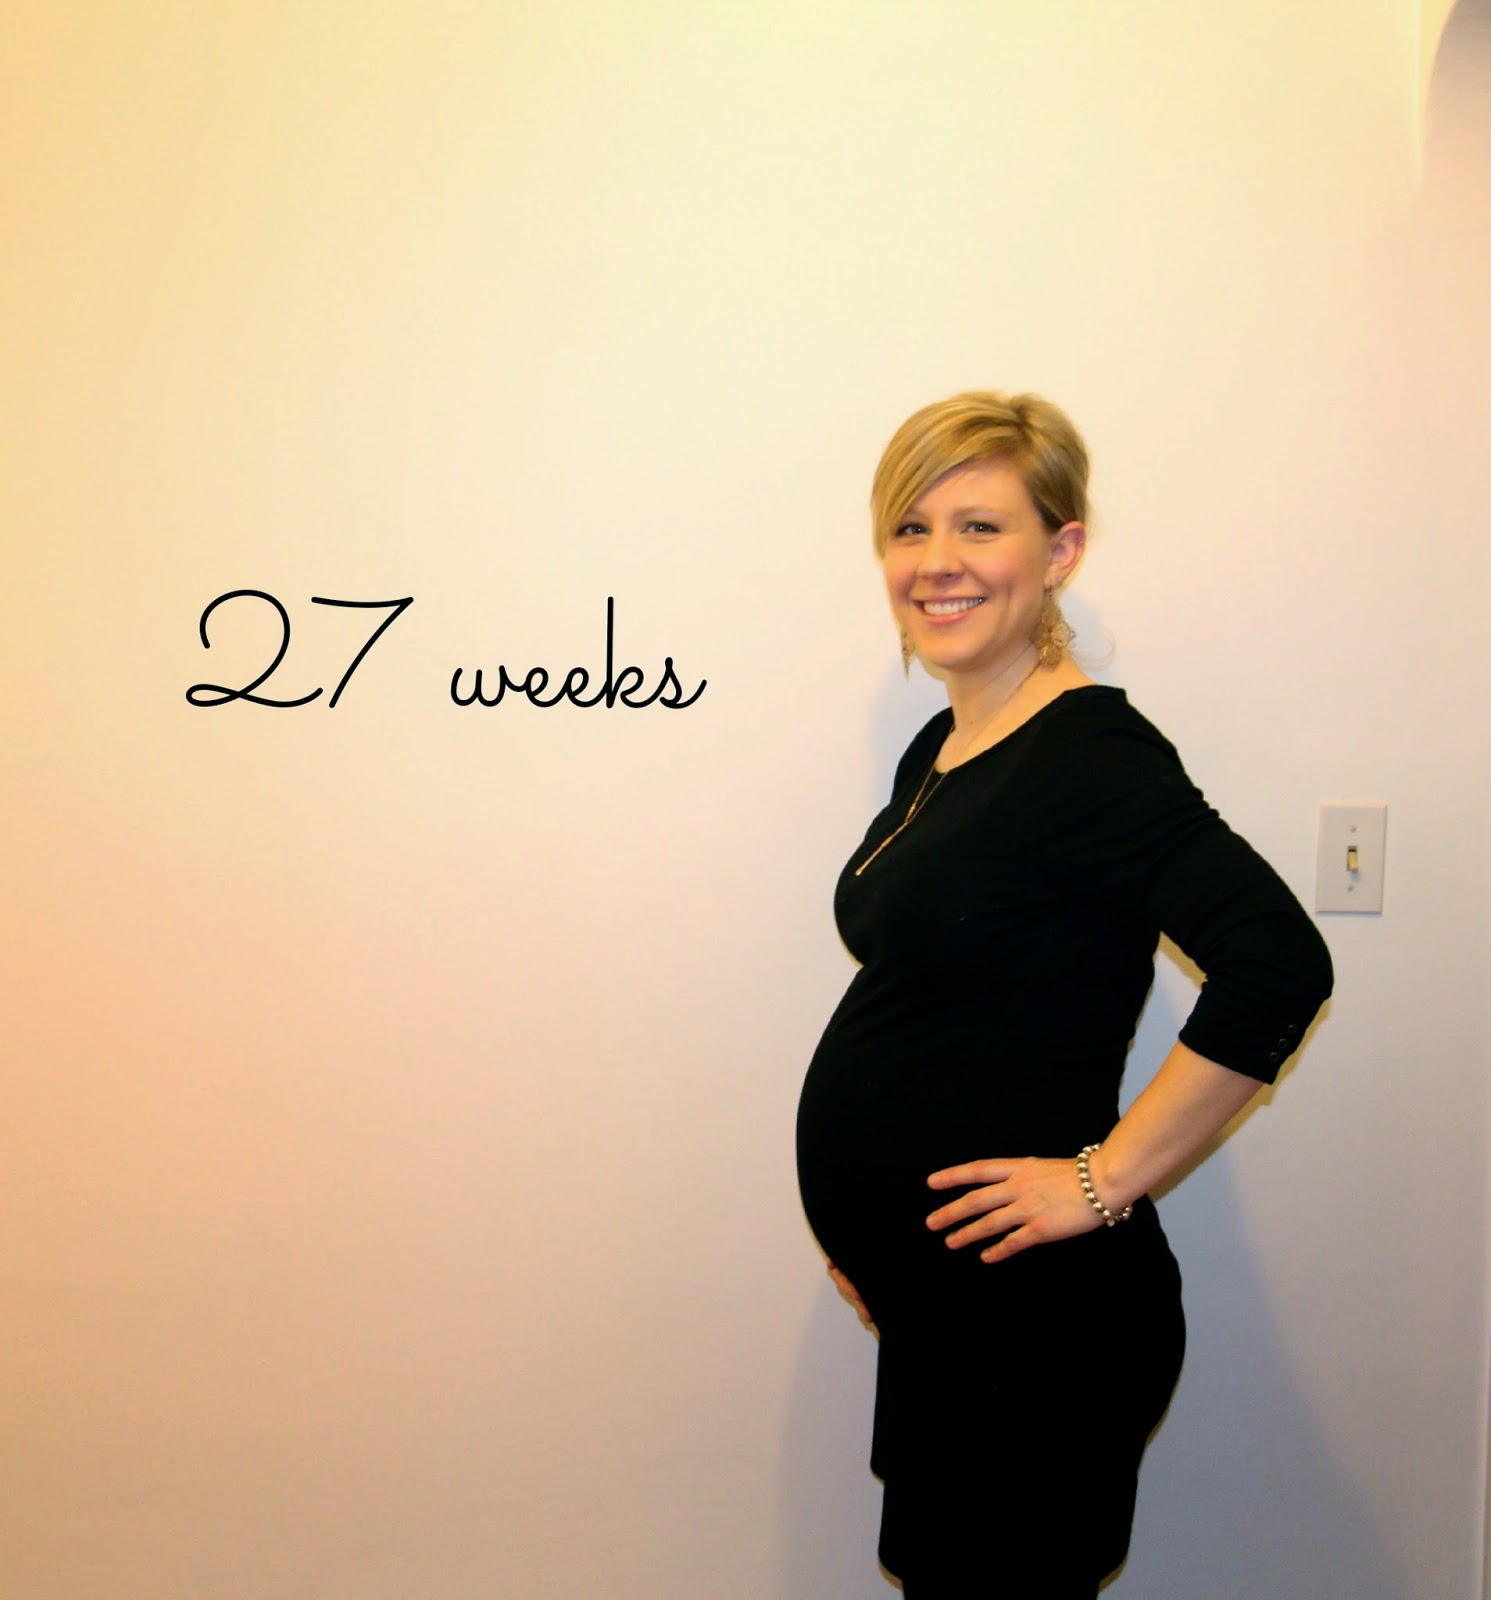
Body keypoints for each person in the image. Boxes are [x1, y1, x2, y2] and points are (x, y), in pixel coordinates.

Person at [795, 391, 1333, 1597]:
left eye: (980, 526)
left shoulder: (1089, 755)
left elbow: (1277, 962)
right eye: (911, 526)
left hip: (1038, 1329)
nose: (937, 561)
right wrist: (885, 1241)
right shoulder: (942, 748)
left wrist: (1101, 1180)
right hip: (955, 1304)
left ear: (1061, 551)